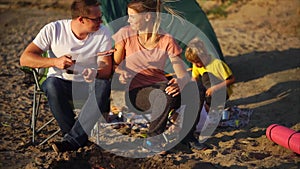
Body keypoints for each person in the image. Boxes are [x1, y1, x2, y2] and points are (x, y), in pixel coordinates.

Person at [20, 0, 113, 153]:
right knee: (51, 85)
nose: (101, 21)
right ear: (81, 19)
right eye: (96, 19)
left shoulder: (103, 32)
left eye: (101, 17)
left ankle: (71, 140)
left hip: (87, 85)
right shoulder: (54, 29)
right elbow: (25, 58)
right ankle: (75, 139)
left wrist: (95, 72)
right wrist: (54, 61)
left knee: (103, 85)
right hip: (61, 83)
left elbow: (106, 67)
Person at [112, 0, 204, 153]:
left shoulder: (166, 39)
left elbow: (181, 71)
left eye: (132, 17)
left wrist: (181, 81)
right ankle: (152, 140)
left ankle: (186, 136)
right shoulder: (125, 34)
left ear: (147, 17)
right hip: (135, 93)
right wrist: (121, 72)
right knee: (163, 92)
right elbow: (114, 65)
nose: (128, 20)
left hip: (162, 90)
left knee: (196, 88)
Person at [185, 37, 235, 112]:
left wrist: (215, 88)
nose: (196, 65)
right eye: (193, 62)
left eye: (197, 61)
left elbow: (232, 79)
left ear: (204, 55)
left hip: (222, 91)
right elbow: (194, 78)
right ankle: (206, 106)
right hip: (209, 88)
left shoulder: (217, 64)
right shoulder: (196, 65)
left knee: (206, 76)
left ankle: (210, 105)